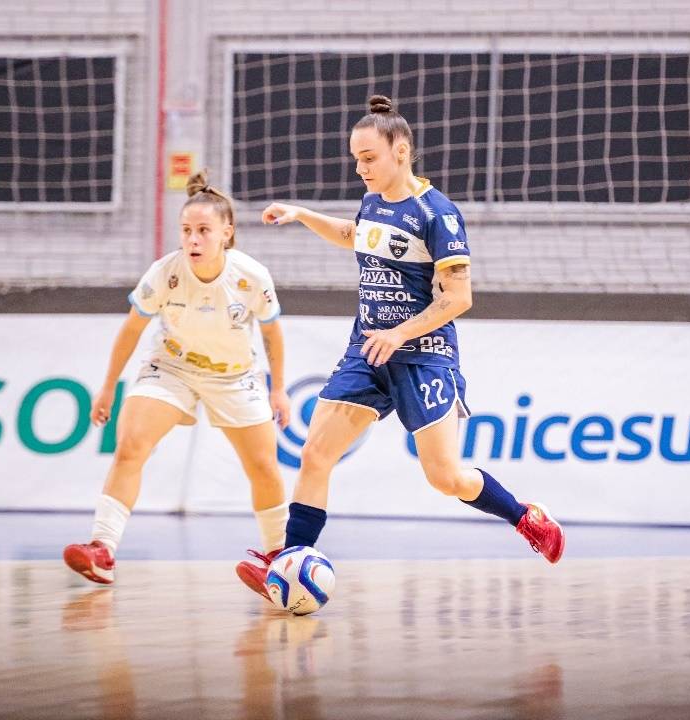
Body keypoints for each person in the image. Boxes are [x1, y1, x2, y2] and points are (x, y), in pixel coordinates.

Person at [236, 95, 564, 599]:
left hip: (424, 355)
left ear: (401, 152)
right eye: (355, 159)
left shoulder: (439, 214)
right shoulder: (372, 203)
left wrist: (400, 333)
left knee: (447, 477)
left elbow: (460, 297)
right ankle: (289, 558)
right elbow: (355, 235)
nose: (360, 168)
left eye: (369, 158)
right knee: (316, 453)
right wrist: (303, 214)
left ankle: (524, 516)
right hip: (368, 351)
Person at [64, 170, 291, 585]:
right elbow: (131, 330)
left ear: (227, 233)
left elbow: (273, 332)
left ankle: (279, 560)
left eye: (204, 230)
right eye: (186, 230)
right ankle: (102, 548)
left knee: (263, 465)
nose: (193, 240)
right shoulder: (164, 273)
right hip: (171, 368)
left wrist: (279, 390)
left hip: (234, 376)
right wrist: (107, 387)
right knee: (130, 445)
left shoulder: (251, 277)